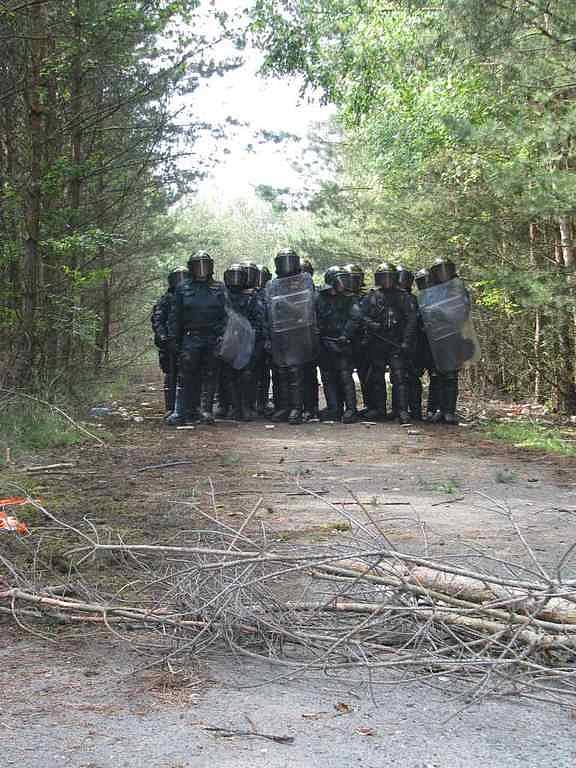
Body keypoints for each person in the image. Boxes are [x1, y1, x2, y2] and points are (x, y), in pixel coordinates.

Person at [166, 251, 228, 426]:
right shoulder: (182, 288)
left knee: (209, 375)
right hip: (191, 337)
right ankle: (182, 411)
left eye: (205, 265)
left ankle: (206, 411)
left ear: (211, 267)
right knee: (186, 376)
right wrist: (173, 339)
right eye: (197, 265)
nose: (201, 269)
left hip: (212, 338)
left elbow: (227, 314)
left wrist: (223, 336)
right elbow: (175, 316)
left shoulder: (219, 288)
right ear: (191, 268)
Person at [360, 262, 417, 424]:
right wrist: (371, 324)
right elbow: (359, 315)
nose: (386, 281)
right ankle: (379, 409)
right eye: (383, 277)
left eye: (389, 277)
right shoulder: (371, 296)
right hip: (377, 342)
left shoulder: (403, 296)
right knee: (377, 377)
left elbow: (411, 320)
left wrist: (406, 340)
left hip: (396, 343)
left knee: (399, 377)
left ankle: (402, 410)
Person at [265, 248, 318, 425]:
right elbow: (267, 311)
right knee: (281, 372)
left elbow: (309, 305)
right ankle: (284, 407)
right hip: (280, 333)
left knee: (297, 372)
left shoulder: (305, 280)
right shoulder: (272, 285)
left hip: (300, 332)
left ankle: (298, 408)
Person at [317, 266, 361, 423]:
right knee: (328, 377)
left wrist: (346, 335)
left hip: (342, 343)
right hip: (324, 343)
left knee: (345, 376)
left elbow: (355, 318)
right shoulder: (320, 297)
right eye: (340, 279)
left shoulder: (349, 298)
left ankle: (351, 409)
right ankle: (334, 408)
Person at [151, 267, 188, 415]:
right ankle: (171, 407)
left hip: (187, 341)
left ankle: (189, 407)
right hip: (169, 344)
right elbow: (158, 321)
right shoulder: (166, 300)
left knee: (190, 375)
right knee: (171, 375)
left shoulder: (190, 298)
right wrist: (164, 338)